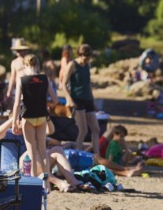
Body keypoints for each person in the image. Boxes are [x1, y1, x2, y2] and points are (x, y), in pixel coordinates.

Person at [11, 54, 58, 189]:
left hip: (28, 118)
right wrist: (44, 103)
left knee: (31, 153)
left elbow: (16, 104)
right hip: (41, 116)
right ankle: (47, 183)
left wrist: (14, 122)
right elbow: (55, 100)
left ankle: (33, 183)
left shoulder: (22, 80)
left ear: (25, 66)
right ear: (37, 66)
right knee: (43, 152)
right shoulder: (45, 79)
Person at [60, 43, 101, 152]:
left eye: (89, 58)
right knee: (83, 130)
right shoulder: (72, 65)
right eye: (86, 58)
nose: (87, 60)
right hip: (77, 99)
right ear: (80, 55)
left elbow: (88, 84)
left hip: (87, 99)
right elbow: (63, 84)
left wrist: (93, 101)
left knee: (96, 129)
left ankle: (97, 156)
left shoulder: (87, 65)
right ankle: (77, 154)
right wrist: (68, 99)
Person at [6, 37, 32, 103]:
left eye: (20, 50)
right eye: (17, 50)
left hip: (30, 86)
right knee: (18, 105)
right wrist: (9, 90)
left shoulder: (30, 60)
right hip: (19, 87)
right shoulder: (14, 62)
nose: (19, 52)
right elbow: (12, 77)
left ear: (25, 50)